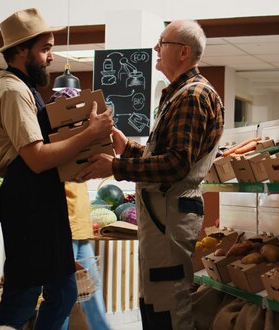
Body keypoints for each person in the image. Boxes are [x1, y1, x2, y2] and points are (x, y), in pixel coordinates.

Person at [76, 20, 224, 329]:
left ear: (183, 52)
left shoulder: (192, 96)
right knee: (155, 300)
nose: (155, 49)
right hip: (162, 213)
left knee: (170, 306)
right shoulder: (177, 94)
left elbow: (176, 165)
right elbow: (164, 158)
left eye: (162, 43)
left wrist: (115, 166)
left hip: (170, 215)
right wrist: (126, 147)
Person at [0, 8, 113, 329]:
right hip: (29, 206)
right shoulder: (14, 91)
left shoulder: (25, 88)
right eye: (44, 49)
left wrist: (81, 163)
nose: (50, 57)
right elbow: (37, 158)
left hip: (40, 201)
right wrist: (91, 133)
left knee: (61, 291)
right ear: (19, 50)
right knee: (26, 293)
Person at [48, 88, 111, 330]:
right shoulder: (59, 144)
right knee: (69, 294)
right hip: (65, 226)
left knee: (87, 291)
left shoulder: (77, 141)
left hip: (79, 226)